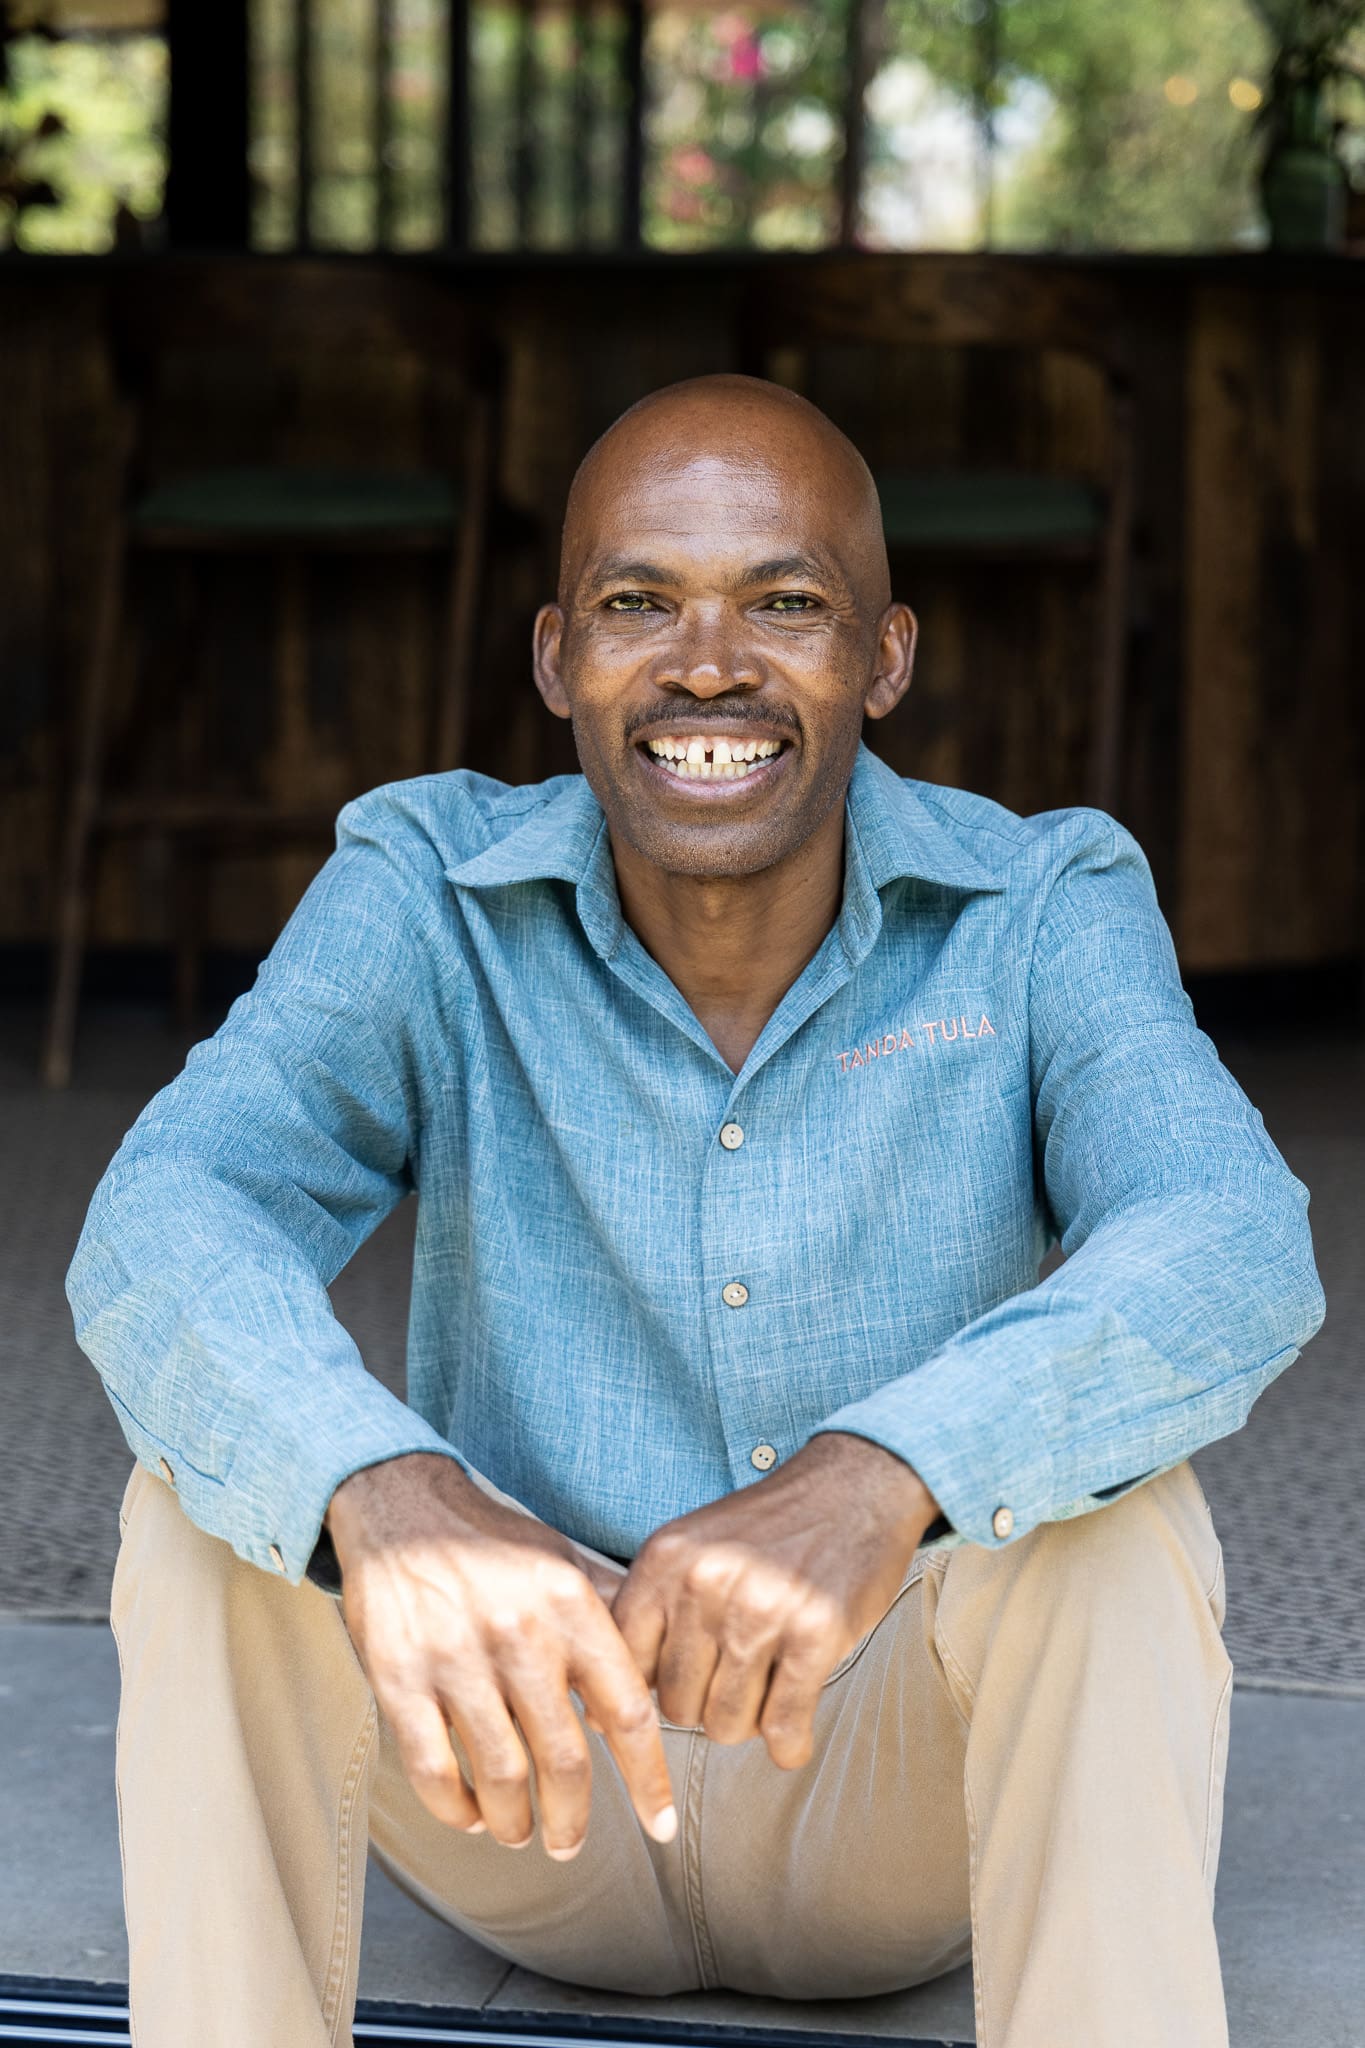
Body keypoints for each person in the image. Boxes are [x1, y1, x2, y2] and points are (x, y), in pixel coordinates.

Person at [68, 374, 1325, 2048]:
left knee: (1113, 1524)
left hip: (883, 1797)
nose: (708, 664)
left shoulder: (1040, 904)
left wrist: (886, 1473)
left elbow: (1230, 1237)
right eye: (637, 603)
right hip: (529, 1775)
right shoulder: (422, 890)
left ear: (883, 657)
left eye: (784, 604)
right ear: (555, 659)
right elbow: (171, 1209)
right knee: (206, 1509)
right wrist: (382, 1486)